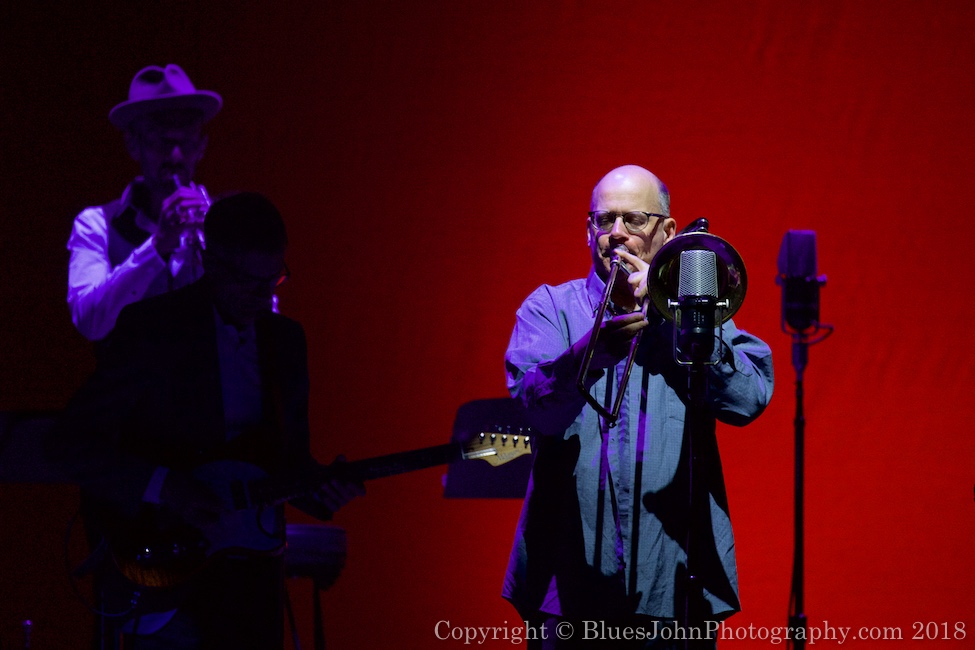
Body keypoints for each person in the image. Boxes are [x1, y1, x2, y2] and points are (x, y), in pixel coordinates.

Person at [52, 192, 363, 648]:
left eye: (273, 280)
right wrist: (166, 486)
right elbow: (70, 442)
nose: (263, 297)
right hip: (163, 568)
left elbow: (287, 464)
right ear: (208, 260)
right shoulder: (153, 329)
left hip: (252, 582)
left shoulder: (286, 341)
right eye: (246, 282)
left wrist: (325, 489)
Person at [502, 165, 774, 649]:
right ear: (589, 229)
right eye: (603, 221)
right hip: (568, 586)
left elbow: (749, 399)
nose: (616, 235)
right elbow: (535, 409)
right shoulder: (548, 309)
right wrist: (591, 352)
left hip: (673, 583)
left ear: (667, 231)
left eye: (633, 219)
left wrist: (675, 316)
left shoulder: (697, 315)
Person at [67, 64, 220, 341]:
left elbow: (260, 315)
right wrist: (157, 246)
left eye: (186, 143)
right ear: (133, 145)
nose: (175, 156)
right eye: (161, 142)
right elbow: (89, 321)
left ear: (202, 148)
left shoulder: (223, 224)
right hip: (131, 384)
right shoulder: (95, 224)